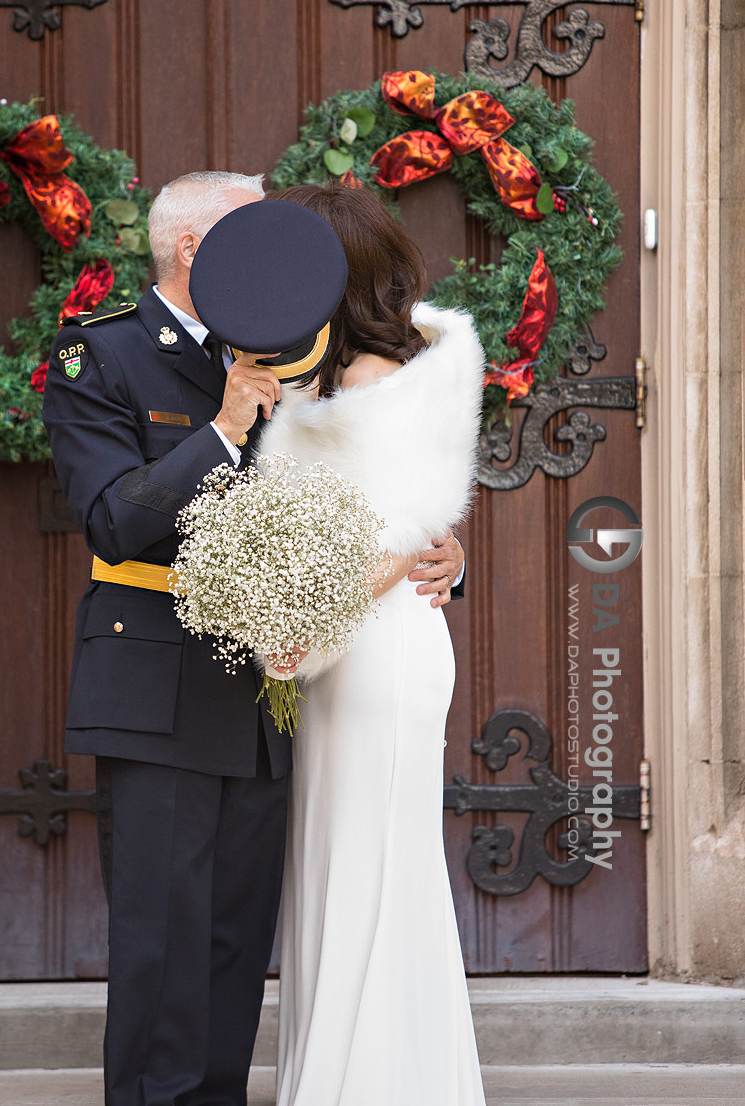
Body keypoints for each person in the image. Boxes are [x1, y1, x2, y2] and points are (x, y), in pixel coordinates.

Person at [42, 169, 465, 1106]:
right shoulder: (102, 358)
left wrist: (440, 552)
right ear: (195, 248)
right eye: (255, 230)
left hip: (267, 692)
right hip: (156, 689)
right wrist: (226, 426)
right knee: (163, 944)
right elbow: (113, 521)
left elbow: (367, 498)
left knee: (234, 949)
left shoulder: (292, 347)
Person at [260, 181, 488, 1106]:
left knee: (372, 863)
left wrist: (289, 630)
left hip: (371, 651)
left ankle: (377, 1083)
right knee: (343, 857)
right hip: (355, 650)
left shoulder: (370, 387)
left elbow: (397, 540)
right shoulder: (334, 379)